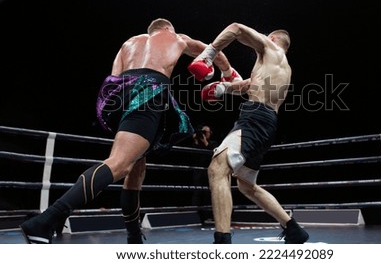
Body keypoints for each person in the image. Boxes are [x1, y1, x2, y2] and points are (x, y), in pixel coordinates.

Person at [19, 18, 235, 244]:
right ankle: (46, 220)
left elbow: (114, 79)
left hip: (118, 95)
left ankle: (134, 236)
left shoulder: (128, 43)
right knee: (120, 164)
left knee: (135, 169)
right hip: (148, 91)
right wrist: (229, 74)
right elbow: (213, 51)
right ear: (168, 28)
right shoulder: (177, 38)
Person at [188, 22, 310, 244]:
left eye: (265, 36)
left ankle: (222, 242)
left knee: (217, 168)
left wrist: (208, 54)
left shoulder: (271, 49)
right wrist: (223, 89)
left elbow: (236, 28)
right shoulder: (278, 66)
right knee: (246, 185)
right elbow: (248, 85)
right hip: (267, 122)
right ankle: (293, 229)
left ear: (271, 38)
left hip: (255, 118)